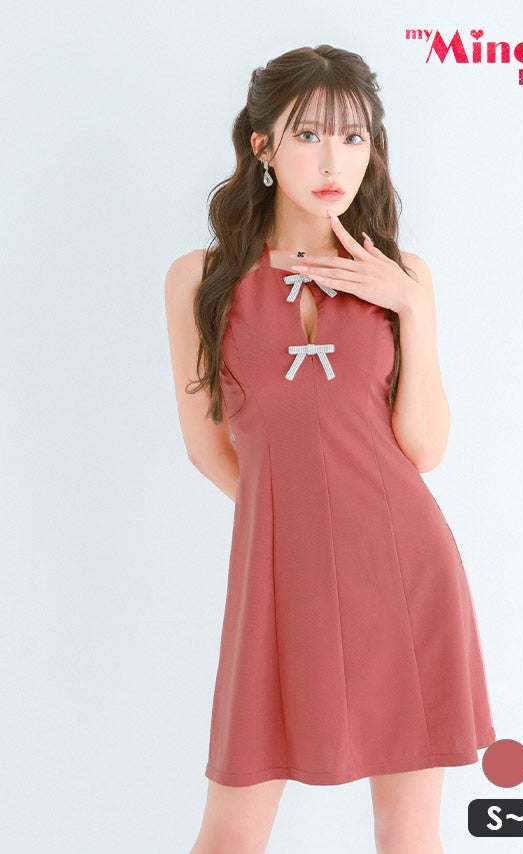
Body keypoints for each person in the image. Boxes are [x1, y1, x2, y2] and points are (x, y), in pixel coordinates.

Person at [164, 44, 496, 854]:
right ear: (262, 145)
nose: (333, 160)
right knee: (231, 832)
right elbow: (206, 445)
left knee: (408, 835)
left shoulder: (404, 276)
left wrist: (412, 308)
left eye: (354, 137)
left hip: (406, 566)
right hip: (280, 576)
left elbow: (425, 448)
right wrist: (297, 527)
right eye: (309, 134)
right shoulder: (200, 278)